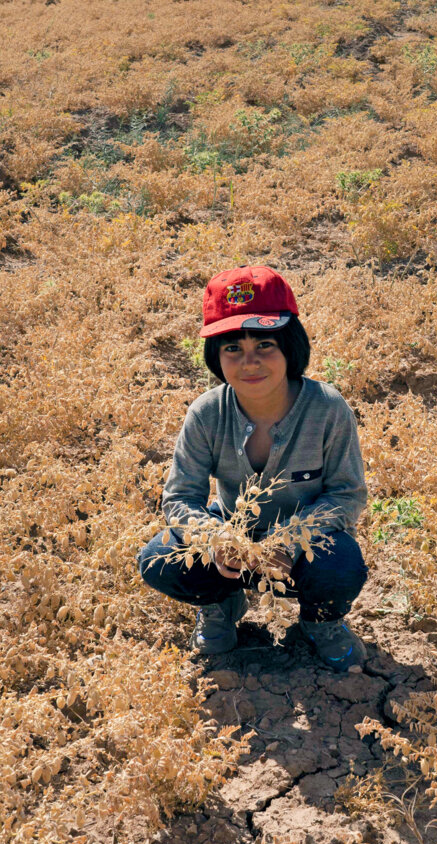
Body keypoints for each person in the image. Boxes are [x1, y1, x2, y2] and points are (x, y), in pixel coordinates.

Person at [138, 265, 370, 672]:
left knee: (343, 565)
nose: (250, 363)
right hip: (232, 539)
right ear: (216, 356)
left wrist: (292, 539)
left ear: (290, 347)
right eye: (233, 349)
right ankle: (221, 604)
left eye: (265, 344)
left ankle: (321, 624)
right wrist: (217, 539)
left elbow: (346, 495)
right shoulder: (207, 413)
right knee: (160, 558)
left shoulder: (327, 409)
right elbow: (180, 497)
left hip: (305, 548)